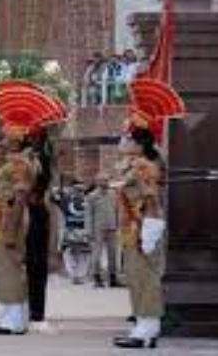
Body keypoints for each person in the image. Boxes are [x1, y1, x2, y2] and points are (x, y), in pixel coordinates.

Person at [0, 80, 63, 336]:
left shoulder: (21, 163)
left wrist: (10, 226)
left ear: (17, 135)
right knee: (4, 269)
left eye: (6, 131)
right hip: (1, 217)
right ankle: (9, 313)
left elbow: (20, 195)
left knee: (12, 267)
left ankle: (16, 318)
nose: (2, 135)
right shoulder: (15, 160)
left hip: (12, 219)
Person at [112, 78, 183, 349]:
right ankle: (142, 327)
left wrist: (150, 232)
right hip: (132, 225)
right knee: (134, 274)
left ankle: (148, 329)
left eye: (127, 136)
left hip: (144, 224)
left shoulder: (144, 166)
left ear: (139, 142)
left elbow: (151, 198)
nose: (123, 140)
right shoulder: (135, 163)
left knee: (146, 276)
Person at [25, 126, 64, 333]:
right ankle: (15, 310)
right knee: (20, 267)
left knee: (36, 265)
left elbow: (40, 185)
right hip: (21, 213)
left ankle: (37, 314)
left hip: (36, 213)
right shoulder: (24, 156)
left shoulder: (41, 157)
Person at [86, 173, 121, 288]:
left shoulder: (113, 194)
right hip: (98, 228)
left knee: (113, 253)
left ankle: (113, 278)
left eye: (106, 180)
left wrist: (118, 224)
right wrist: (88, 231)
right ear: (97, 182)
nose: (104, 183)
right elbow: (88, 215)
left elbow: (117, 210)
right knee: (97, 254)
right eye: (101, 181)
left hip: (112, 227)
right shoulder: (92, 196)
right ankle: (97, 278)